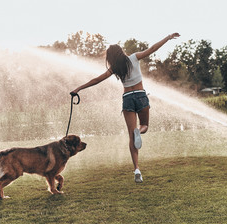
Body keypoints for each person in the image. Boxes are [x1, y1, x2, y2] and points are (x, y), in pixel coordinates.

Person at [70, 33, 180, 183]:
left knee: (131, 138)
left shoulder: (115, 68)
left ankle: (137, 170)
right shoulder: (134, 57)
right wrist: (168, 37)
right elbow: (153, 48)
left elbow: (97, 80)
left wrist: (78, 88)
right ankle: (139, 132)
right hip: (141, 95)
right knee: (145, 125)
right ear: (121, 51)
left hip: (127, 98)